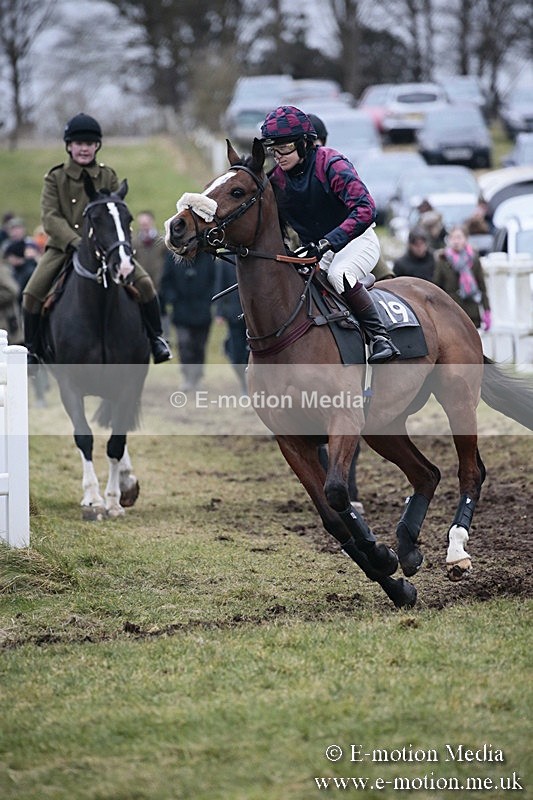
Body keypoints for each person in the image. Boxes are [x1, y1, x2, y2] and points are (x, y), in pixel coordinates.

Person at [22, 113, 171, 365]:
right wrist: (76, 241)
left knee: (145, 284)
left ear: (97, 146)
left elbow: (115, 211)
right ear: (69, 146)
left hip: (106, 248)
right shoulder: (55, 178)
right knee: (32, 293)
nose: (84, 148)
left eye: (90, 143)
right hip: (63, 247)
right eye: (79, 143)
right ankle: (33, 350)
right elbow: (50, 217)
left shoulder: (107, 176)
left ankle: (156, 339)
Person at [260, 105, 399, 363]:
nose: (278, 155)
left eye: (284, 148)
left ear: (304, 143)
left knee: (339, 274)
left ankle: (381, 338)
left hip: (356, 242)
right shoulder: (276, 180)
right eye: (273, 149)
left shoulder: (332, 163)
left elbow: (366, 209)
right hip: (316, 249)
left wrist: (330, 240)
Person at [160, 250, 216, 392]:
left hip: (203, 310)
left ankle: (197, 378)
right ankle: (187, 377)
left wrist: (209, 300)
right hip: (181, 310)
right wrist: (172, 298)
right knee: (184, 344)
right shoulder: (172, 257)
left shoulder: (207, 257)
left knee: (199, 347)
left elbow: (214, 280)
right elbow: (166, 281)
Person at [433, 225, 491, 330]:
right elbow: (437, 286)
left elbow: (481, 286)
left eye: (459, 237)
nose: (456, 241)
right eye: (452, 238)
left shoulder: (473, 259)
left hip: (472, 310)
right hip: (452, 311)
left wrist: (487, 310)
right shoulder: (443, 259)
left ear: (465, 239)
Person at [214, 256, 248, 394]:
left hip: (254, 315)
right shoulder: (225, 259)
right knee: (236, 354)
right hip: (234, 315)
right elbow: (220, 285)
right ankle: (244, 384)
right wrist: (219, 313)